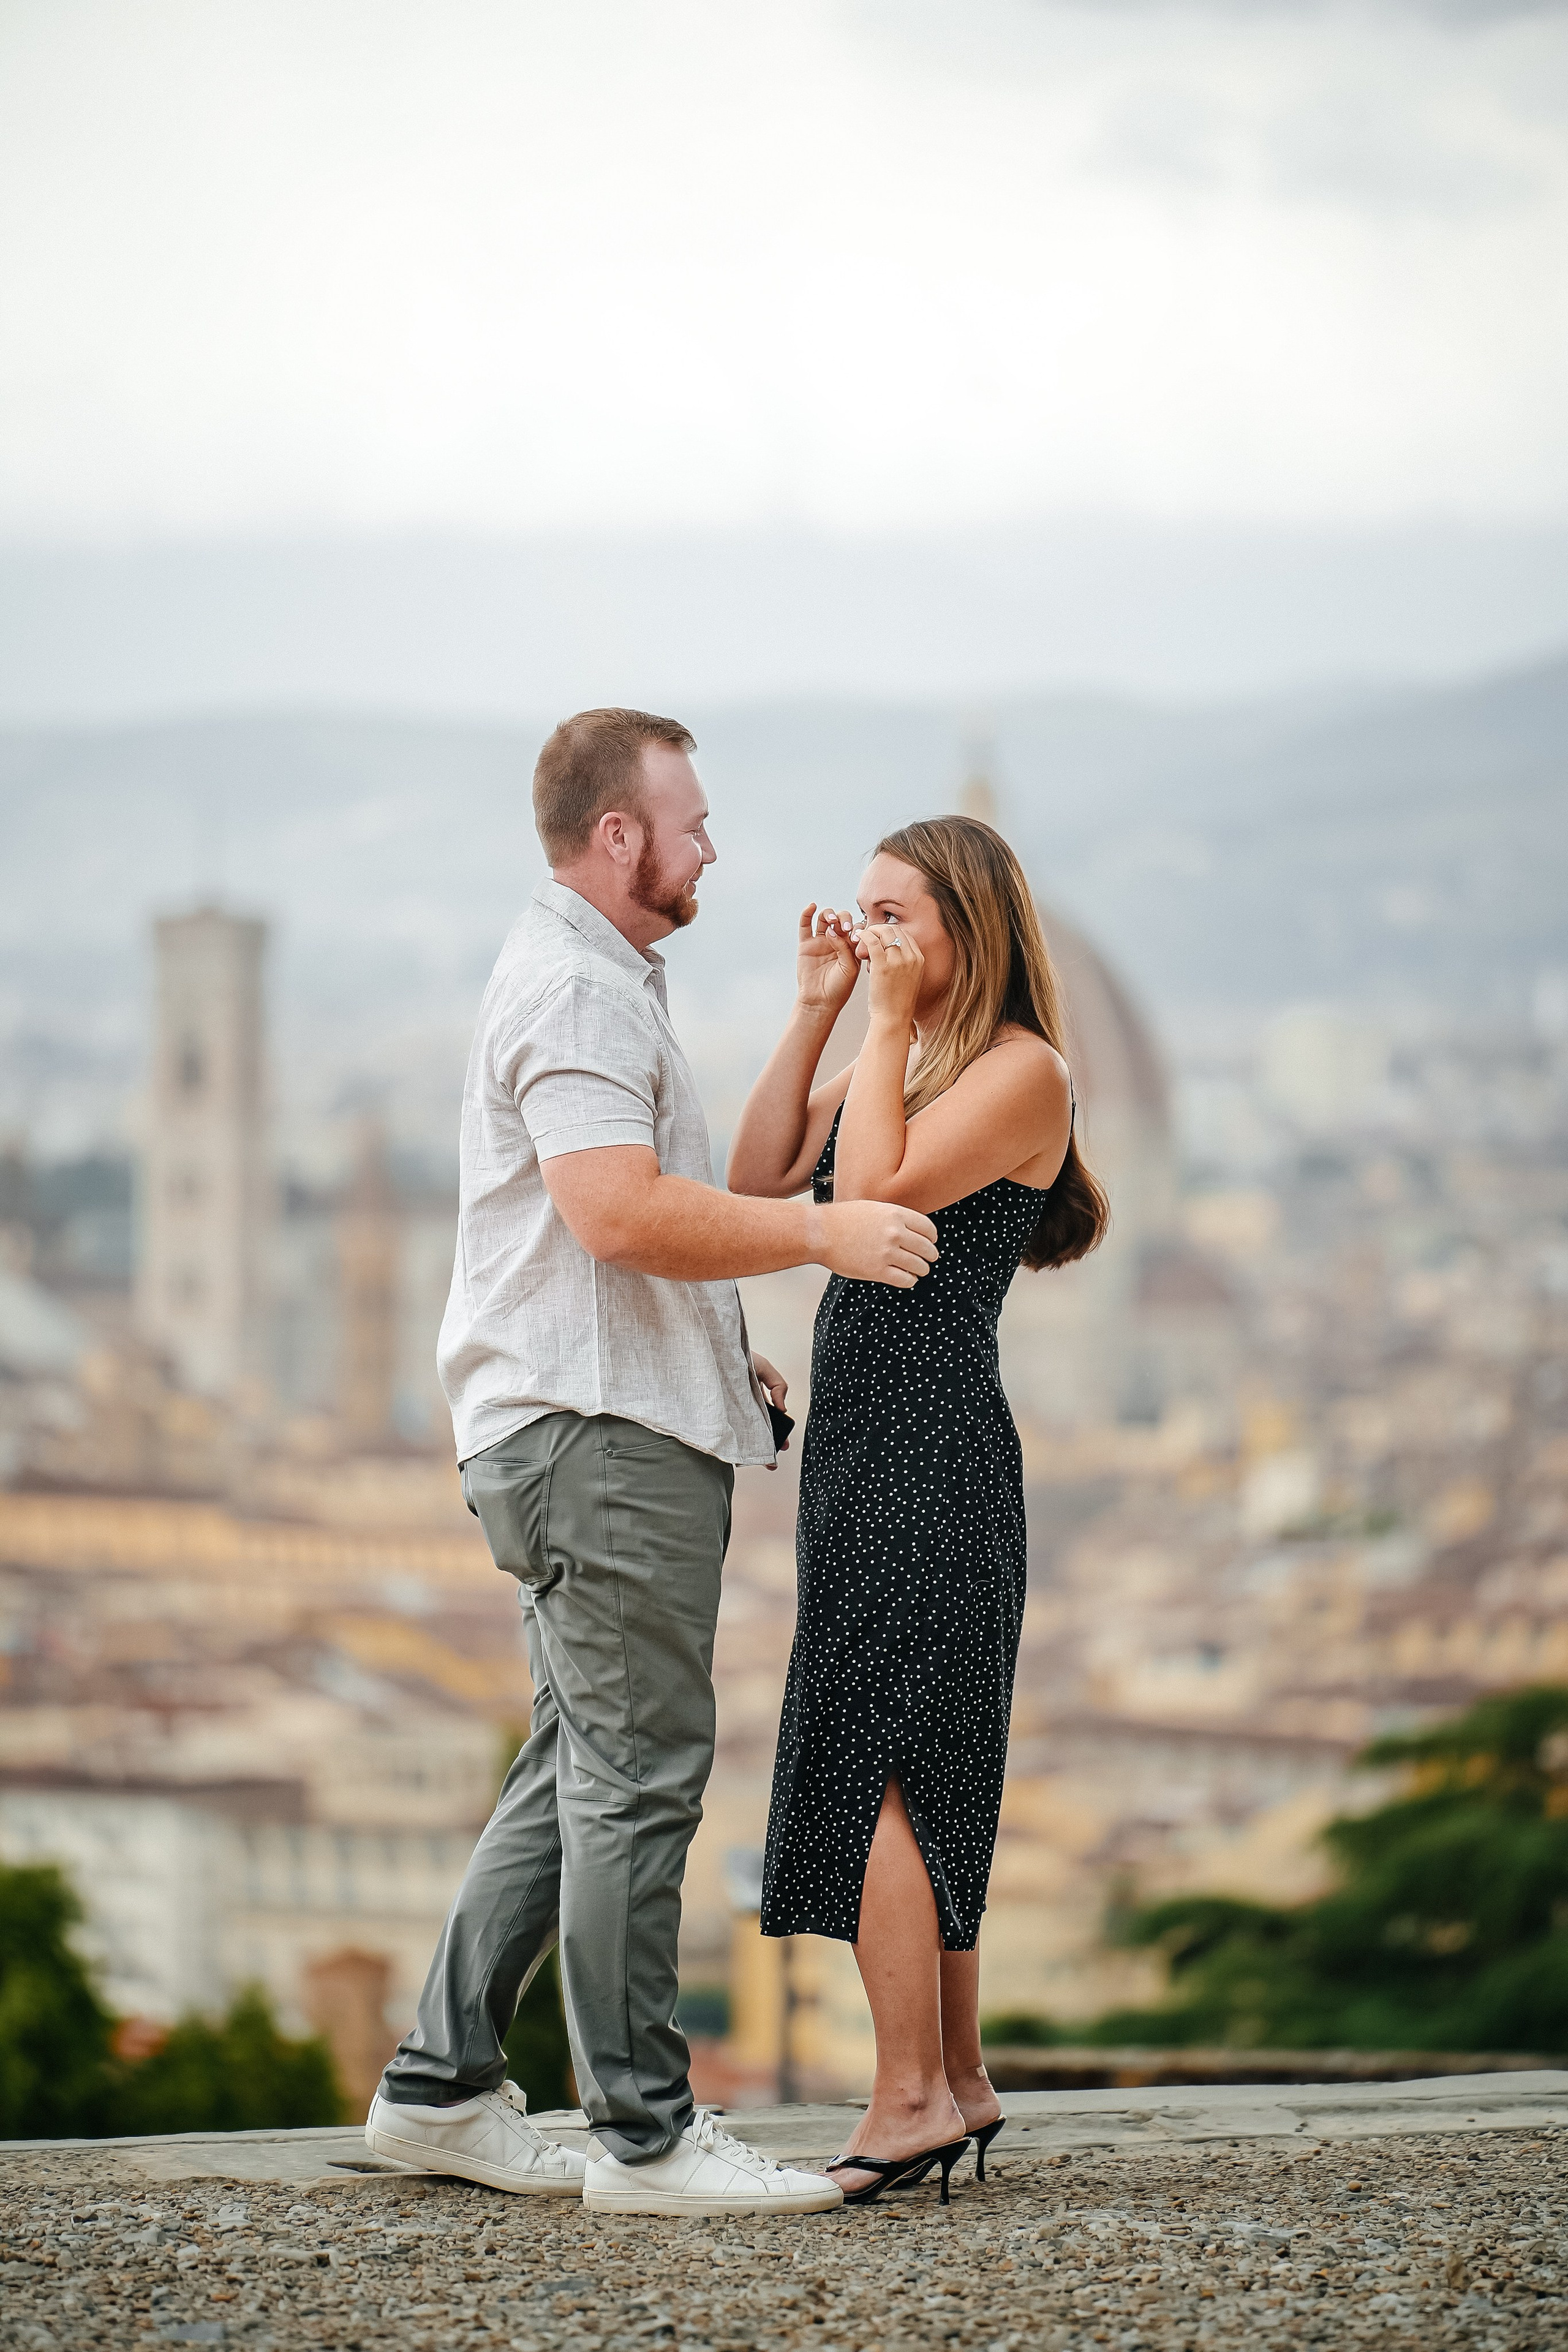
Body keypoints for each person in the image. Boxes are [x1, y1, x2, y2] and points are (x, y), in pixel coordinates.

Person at [366, 709, 940, 2218]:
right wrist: (825, 1235)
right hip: (595, 1447)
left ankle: (438, 2086)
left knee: (574, 1769)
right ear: (616, 836)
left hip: (590, 1416)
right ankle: (641, 2137)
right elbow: (616, 1213)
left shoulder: (595, 979)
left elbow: (626, 1233)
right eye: (689, 822)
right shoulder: (577, 991)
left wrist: (706, 1354)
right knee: (638, 1779)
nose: (711, 847)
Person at [728, 813, 1109, 2205]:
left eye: (898, 917)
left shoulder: (1020, 1073)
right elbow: (761, 1176)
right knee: (919, 1767)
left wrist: (878, 1024)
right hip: (870, 1453)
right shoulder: (917, 1053)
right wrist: (820, 1010)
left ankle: (902, 2101)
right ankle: (955, 2078)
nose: (870, 931)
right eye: (861, 909)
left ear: (969, 928)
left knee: (875, 1762)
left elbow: (875, 1200)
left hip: (928, 1453)